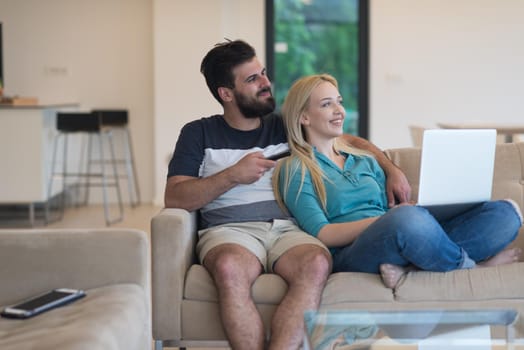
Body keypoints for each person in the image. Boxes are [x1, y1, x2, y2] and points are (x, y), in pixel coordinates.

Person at [165, 40, 411, 350]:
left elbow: (348, 141)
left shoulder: (285, 126)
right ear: (226, 94)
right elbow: (175, 197)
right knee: (229, 267)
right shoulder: (198, 133)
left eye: (263, 73)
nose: (266, 83)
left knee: (317, 263)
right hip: (230, 231)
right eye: (252, 79)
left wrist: (391, 168)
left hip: (290, 228)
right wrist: (232, 176)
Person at [273, 73, 523, 290]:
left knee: (506, 212)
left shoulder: (364, 159)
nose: (339, 111)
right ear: (304, 117)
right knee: (407, 220)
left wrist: (413, 212)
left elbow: (388, 210)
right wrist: (393, 219)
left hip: (395, 235)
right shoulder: (296, 168)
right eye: (327, 104)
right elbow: (322, 233)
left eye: (339, 102)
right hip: (353, 252)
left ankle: (414, 267)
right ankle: (472, 267)